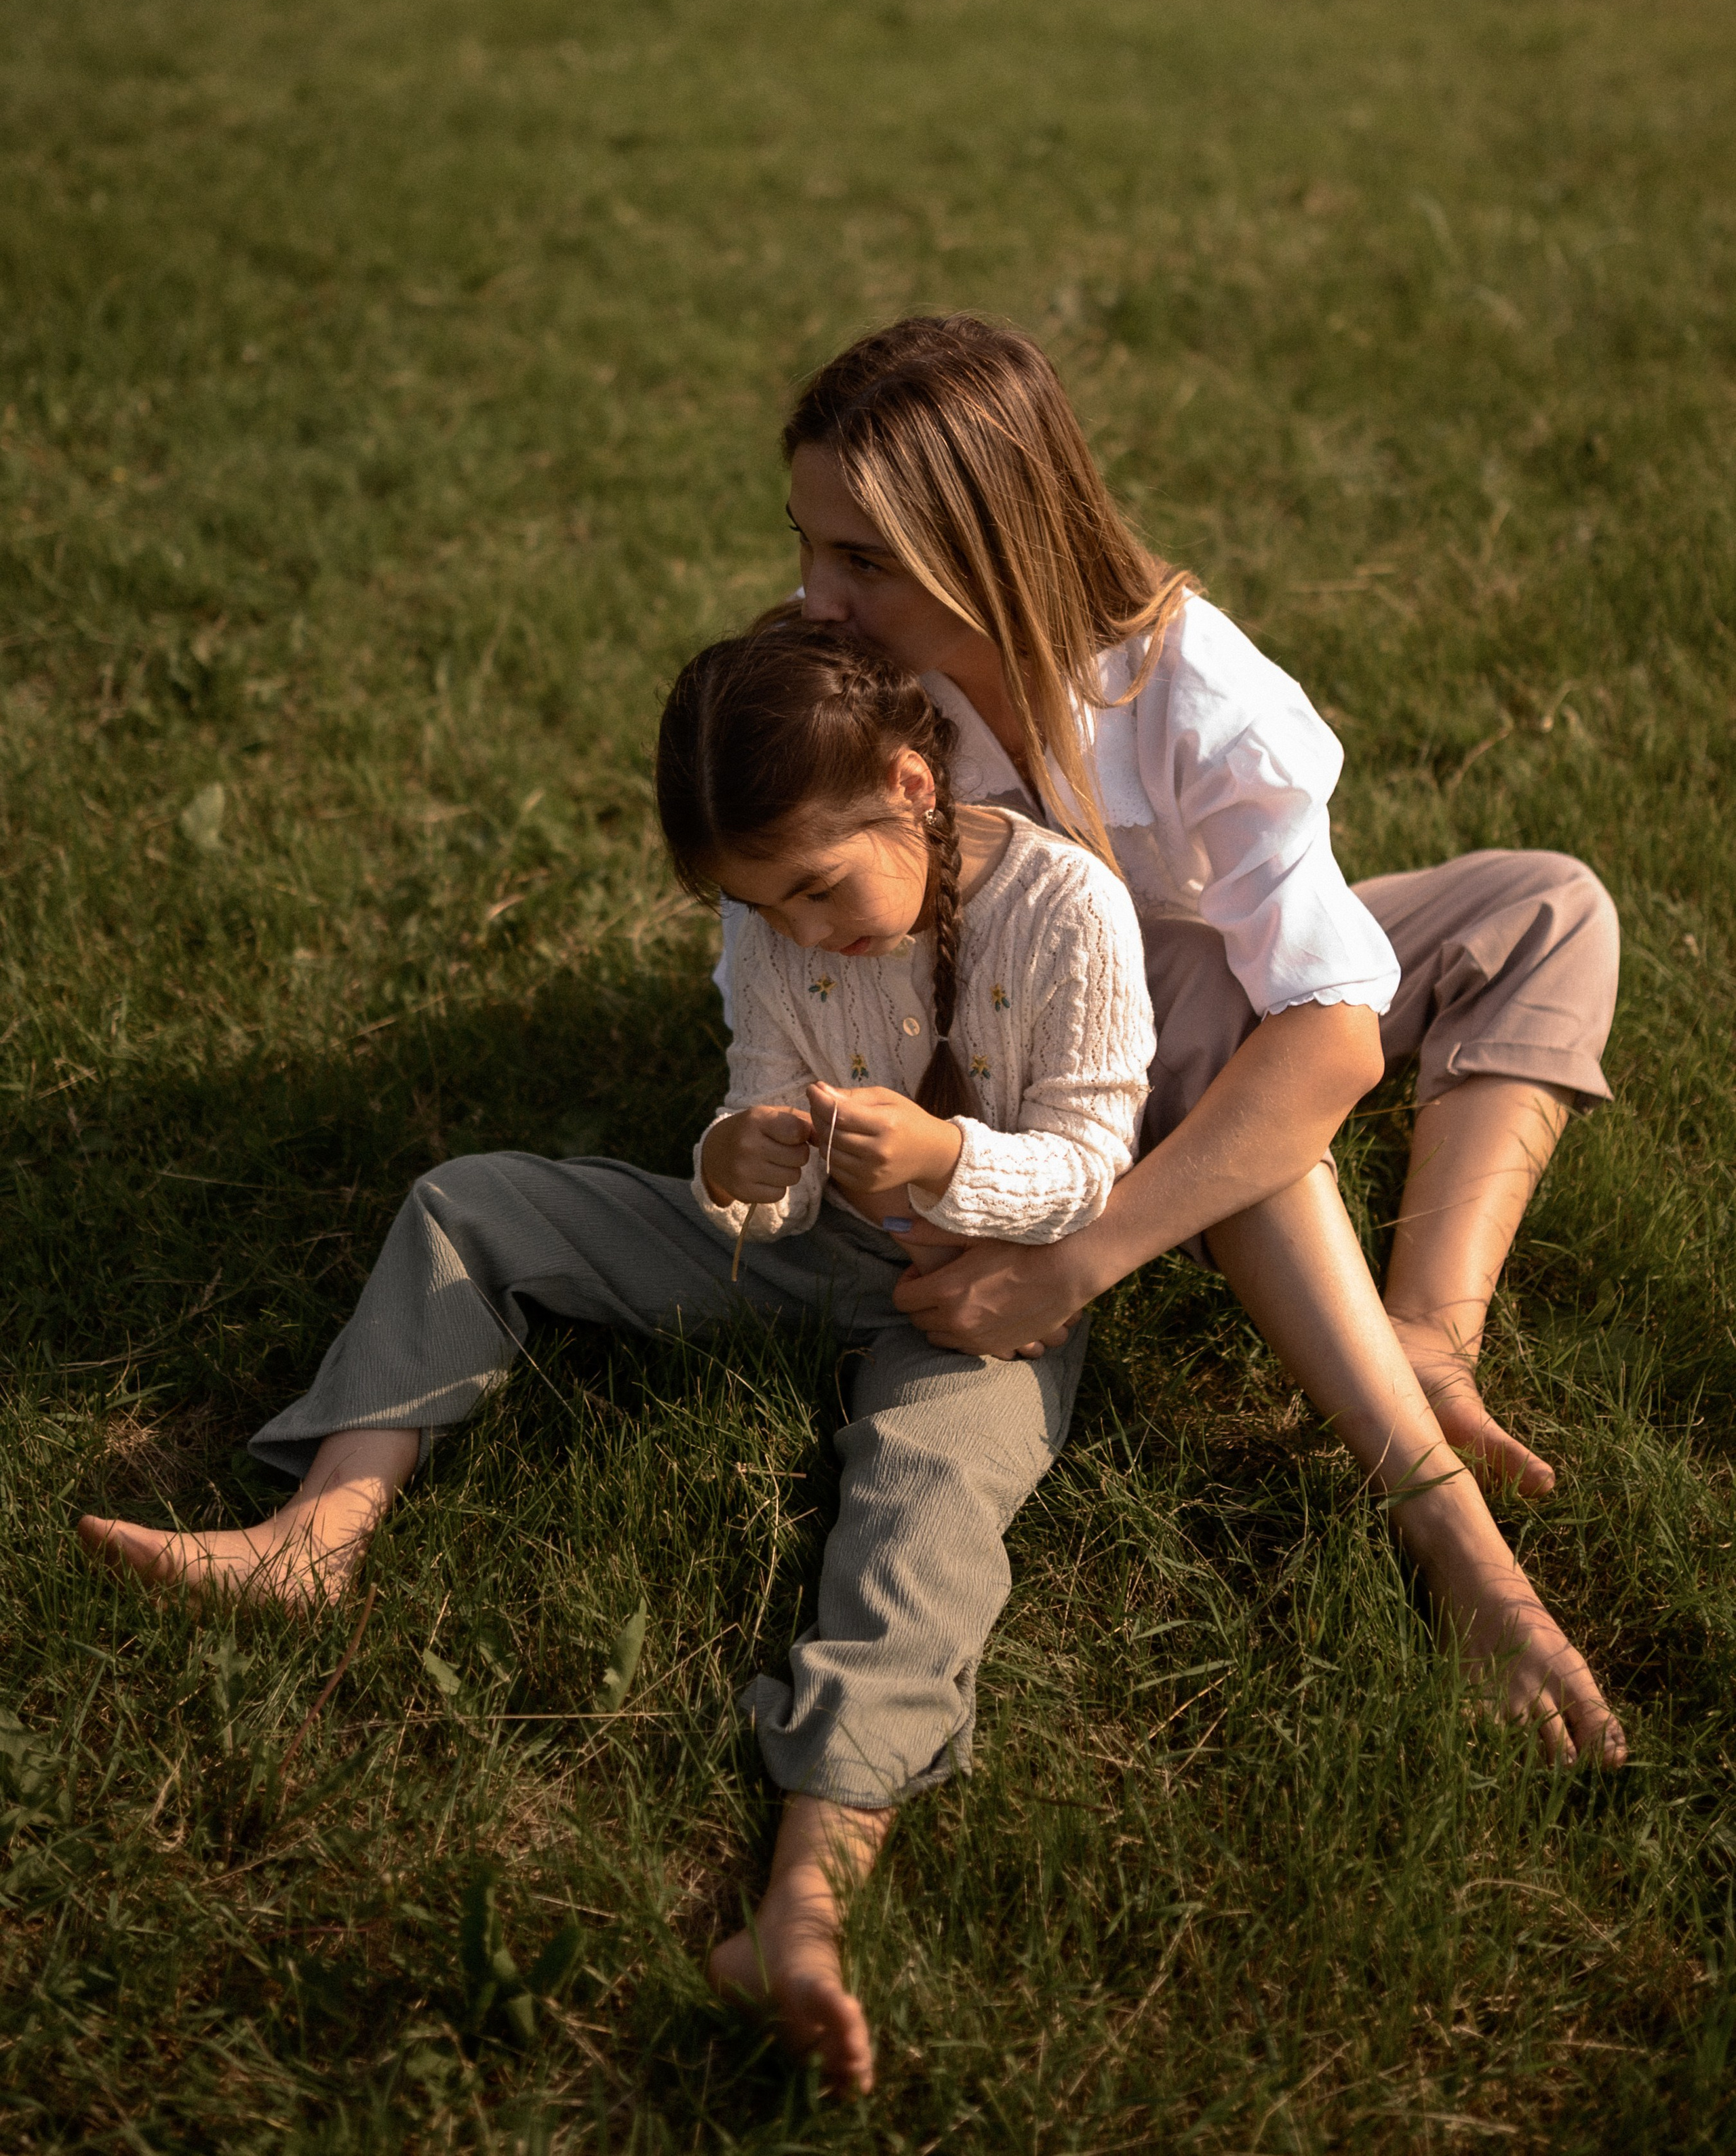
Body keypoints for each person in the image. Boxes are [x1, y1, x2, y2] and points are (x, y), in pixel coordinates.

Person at [78, 614, 1160, 2098]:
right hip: (808, 1250)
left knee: (920, 1507)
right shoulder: (773, 928)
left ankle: (807, 1894)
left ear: (912, 786)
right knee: (471, 1201)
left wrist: (948, 1158)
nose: (794, 927)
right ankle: (320, 1527)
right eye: (754, 903)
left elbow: (1098, 1165)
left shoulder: (1069, 906)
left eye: (814, 887)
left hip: (989, 1287)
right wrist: (740, 1158)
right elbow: (755, 1122)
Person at [744, 310, 1625, 1768]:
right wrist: (1023, 1212)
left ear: (987, 544)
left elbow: (1337, 1027)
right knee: (1234, 1026)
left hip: (1201, 1011)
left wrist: (1077, 1264)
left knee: (1544, 906)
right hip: (1047, 1064)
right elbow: (827, 940)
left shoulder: (1189, 687)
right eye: (806, 543)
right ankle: (1448, 1529)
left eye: (858, 559)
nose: (810, 594)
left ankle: (1427, 1331)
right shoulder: (867, 700)